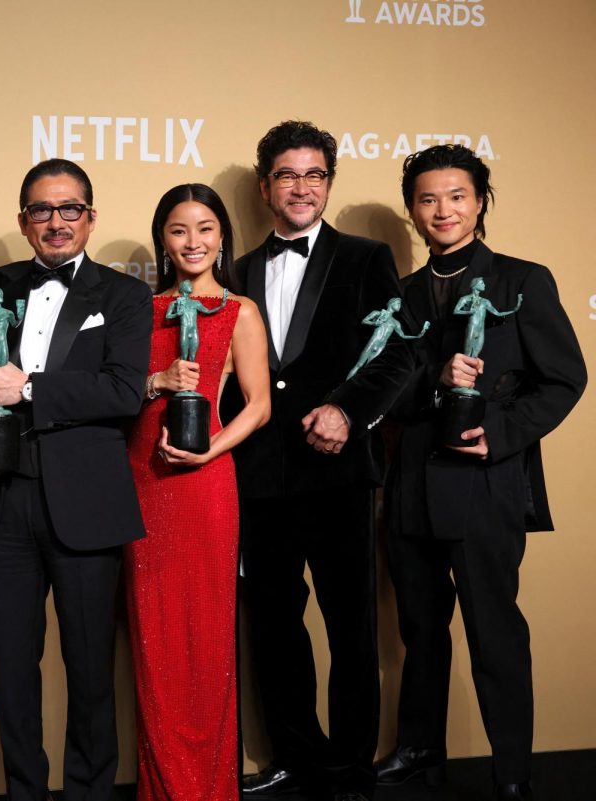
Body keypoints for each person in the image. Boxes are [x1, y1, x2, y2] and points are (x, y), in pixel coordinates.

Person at [375, 145, 586, 801]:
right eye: (429, 198)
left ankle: (513, 769)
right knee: (418, 627)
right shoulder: (402, 295)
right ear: (413, 209)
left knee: (493, 628)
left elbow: (564, 380)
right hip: (411, 484)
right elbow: (386, 391)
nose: (443, 209)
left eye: (457, 195)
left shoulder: (524, 280)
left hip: (485, 483)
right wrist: (432, 383)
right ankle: (419, 749)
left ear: (480, 201)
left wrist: (495, 433)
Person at [0, 158, 153, 801]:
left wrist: (30, 386)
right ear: (23, 220)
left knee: (91, 669)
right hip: (5, 498)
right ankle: (25, 792)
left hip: (86, 502)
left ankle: (89, 793)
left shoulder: (123, 295)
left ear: (90, 218)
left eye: (69, 210)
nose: (56, 222)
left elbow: (123, 390)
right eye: (42, 210)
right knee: (11, 669)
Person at [224, 121, 414, 801]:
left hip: (338, 473)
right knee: (274, 628)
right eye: (287, 175)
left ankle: (350, 767)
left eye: (314, 175)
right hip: (260, 478)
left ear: (329, 182)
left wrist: (348, 409)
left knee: (351, 628)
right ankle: (296, 757)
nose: (301, 188)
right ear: (264, 185)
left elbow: (399, 351)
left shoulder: (366, 259)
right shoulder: (238, 269)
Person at [124, 184, 270, 801]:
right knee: (153, 641)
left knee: (205, 640)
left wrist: (210, 447)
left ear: (222, 236)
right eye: (180, 230)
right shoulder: (138, 308)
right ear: (163, 237)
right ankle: (163, 788)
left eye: (206, 229)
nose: (193, 242)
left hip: (205, 485)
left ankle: (208, 789)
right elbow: (112, 391)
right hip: (141, 484)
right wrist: (155, 379)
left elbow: (259, 406)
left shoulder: (239, 311)